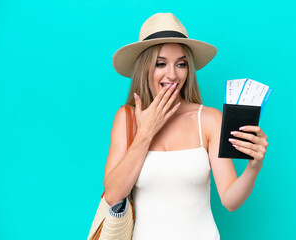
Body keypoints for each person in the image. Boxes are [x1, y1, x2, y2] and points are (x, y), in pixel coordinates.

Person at [103, 13, 268, 240]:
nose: (172, 74)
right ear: (145, 68)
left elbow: (230, 200)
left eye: (181, 64)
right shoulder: (127, 118)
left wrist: (253, 167)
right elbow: (113, 195)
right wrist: (147, 131)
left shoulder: (209, 119)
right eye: (161, 63)